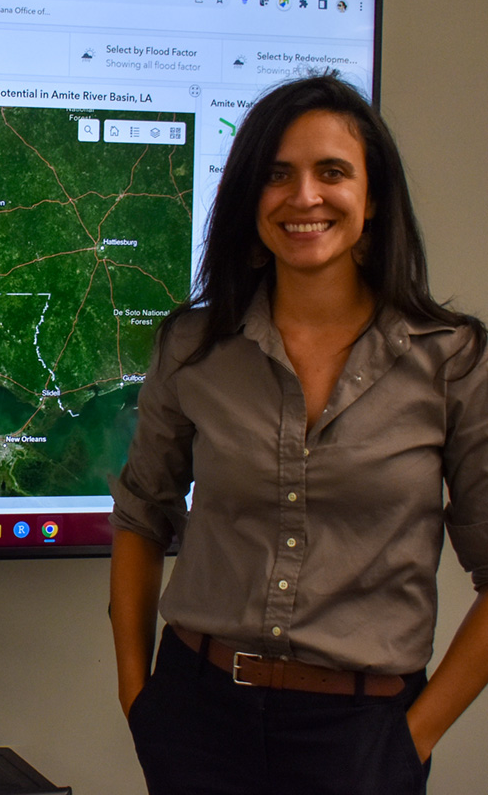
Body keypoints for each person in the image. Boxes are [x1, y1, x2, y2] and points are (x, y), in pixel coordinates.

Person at [109, 73, 488, 795]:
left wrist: (415, 738)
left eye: (332, 172)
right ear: (251, 196)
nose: (304, 197)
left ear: (372, 199)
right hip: (196, 719)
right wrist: (139, 697)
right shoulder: (193, 347)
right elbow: (142, 516)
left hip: (362, 738)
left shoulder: (454, 362)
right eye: (277, 175)